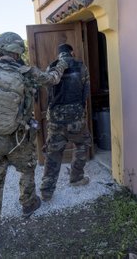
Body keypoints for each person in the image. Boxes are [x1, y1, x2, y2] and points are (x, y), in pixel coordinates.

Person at [0, 32, 68, 248]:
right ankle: (28, 203)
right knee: (27, 169)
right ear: (17, 51)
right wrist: (62, 65)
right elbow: (52, 79)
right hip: (18, 140)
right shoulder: (27, 72)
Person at [40, 43, 91, 202]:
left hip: (56, 118)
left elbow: (49, 93)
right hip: (76, 117)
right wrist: (81, 110)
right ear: (72, 51)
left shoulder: (52, 67)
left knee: (53, 153)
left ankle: (47, 191)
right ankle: (76, 178)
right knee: (82, 145)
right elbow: (85, 91)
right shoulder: (81, 66)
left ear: (59, 54)